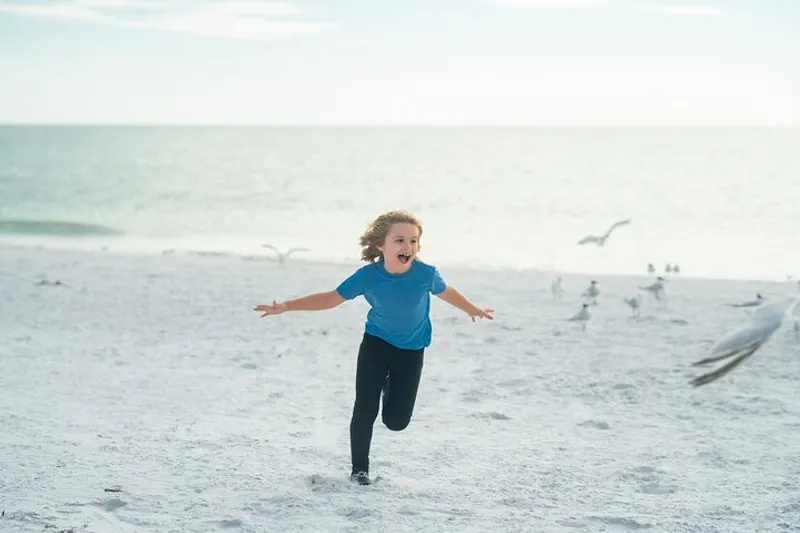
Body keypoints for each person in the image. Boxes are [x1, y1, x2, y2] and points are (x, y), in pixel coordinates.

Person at [253, 209, 494, 485]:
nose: (408, 247)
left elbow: (446, 291)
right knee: (365, 408)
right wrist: (287, 306)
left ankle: (388, 384)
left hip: (412, 350)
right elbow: (331, 299)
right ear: (382, 245)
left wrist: (470, 308)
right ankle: (359, 470)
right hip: (376, 345)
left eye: (413, 241)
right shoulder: (368, 276)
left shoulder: (425, 274)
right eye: (400, 240)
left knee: (397, 422)